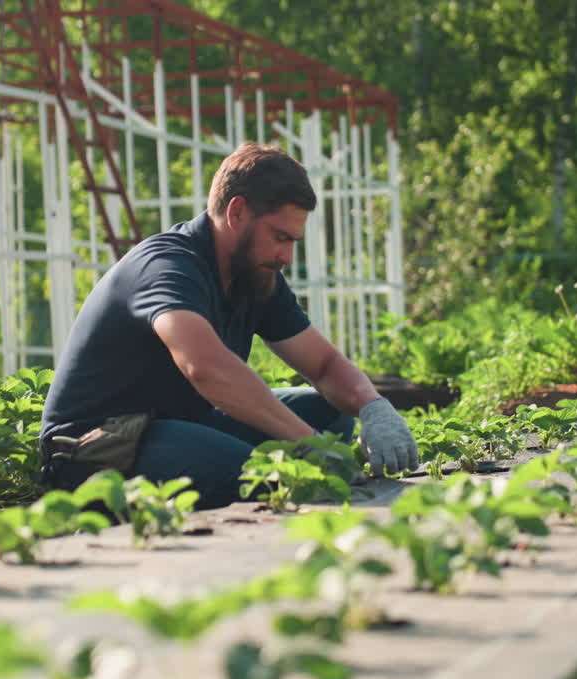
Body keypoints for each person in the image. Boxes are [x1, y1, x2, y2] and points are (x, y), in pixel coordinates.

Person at [39, 142, 418, 508]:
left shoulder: (256, 275)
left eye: (293, 242)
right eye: (280, 237)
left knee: (331, 412)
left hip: (177, 423)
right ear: (237, 213)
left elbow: (322, 365)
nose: (287, 256)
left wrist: (372, 404)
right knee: (255, 472)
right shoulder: (167, 266)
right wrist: (308, 444)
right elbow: (206, 368)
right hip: (97, 445)